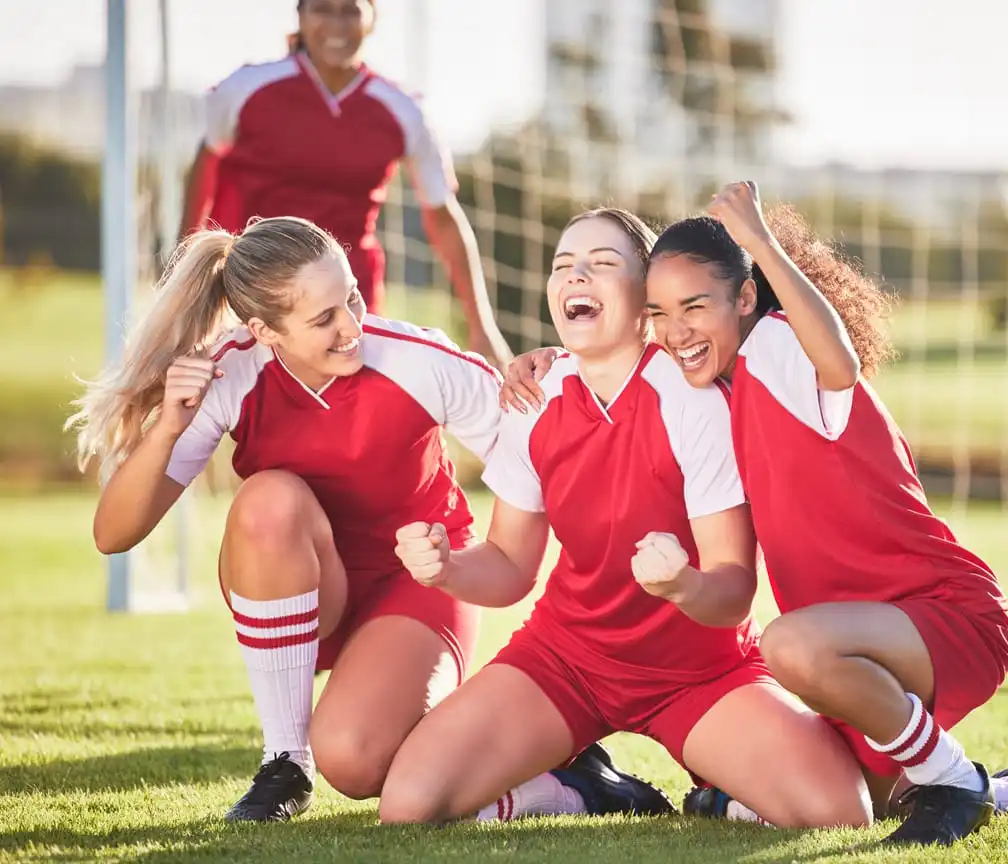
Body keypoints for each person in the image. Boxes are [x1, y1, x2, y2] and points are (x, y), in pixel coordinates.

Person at [499, 185, 1008, 844]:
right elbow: (635, 359)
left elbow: (837, 361)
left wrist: (762, 246)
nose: (675, 329)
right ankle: (1001, 787)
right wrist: (549, 362)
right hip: (857, 647)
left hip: (940, 615)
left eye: (695, 306)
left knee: (789, 646)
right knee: (862, 795)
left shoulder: (780, 349)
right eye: (659, 312)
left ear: (746, 298)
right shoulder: (716, 382)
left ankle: (958, 786)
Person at [377, 208, 873, 828]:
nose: (576, 276)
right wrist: (447, 567)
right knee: (408, 807)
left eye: (603, 264)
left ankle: (721, 794)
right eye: (563, 266)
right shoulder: (535, 398)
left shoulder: (694, 399)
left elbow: (733, 589)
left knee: (838, 812)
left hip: (698, 672)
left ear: (647, 300)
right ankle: (576, 790)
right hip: (567, 660)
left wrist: (683, 585)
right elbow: (508, 568)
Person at [67, 216, 503, 823]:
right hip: (306, 583)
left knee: (354, 762)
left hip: (418, 582)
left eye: (350, 297)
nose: (351, 326)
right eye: (323, 318)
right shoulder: (231, 372)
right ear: (263, 330)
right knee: (267, 499)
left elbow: (540, 455)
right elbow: (113, 534)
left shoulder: (417, 358)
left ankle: (553, 781)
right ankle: (284, 763)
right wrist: (168, 424)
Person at [179, 0, 512, 368]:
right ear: (300, 16)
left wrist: (482, 327)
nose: (336, 23)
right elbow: (205, 169)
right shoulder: (244, 89)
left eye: (350, 9)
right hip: (251, 289)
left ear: (371, 18)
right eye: (322, 8)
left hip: (347, 297)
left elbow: (443, 217)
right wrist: (183, 281)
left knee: (344, 419)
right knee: (246, 414)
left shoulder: (403, 112)